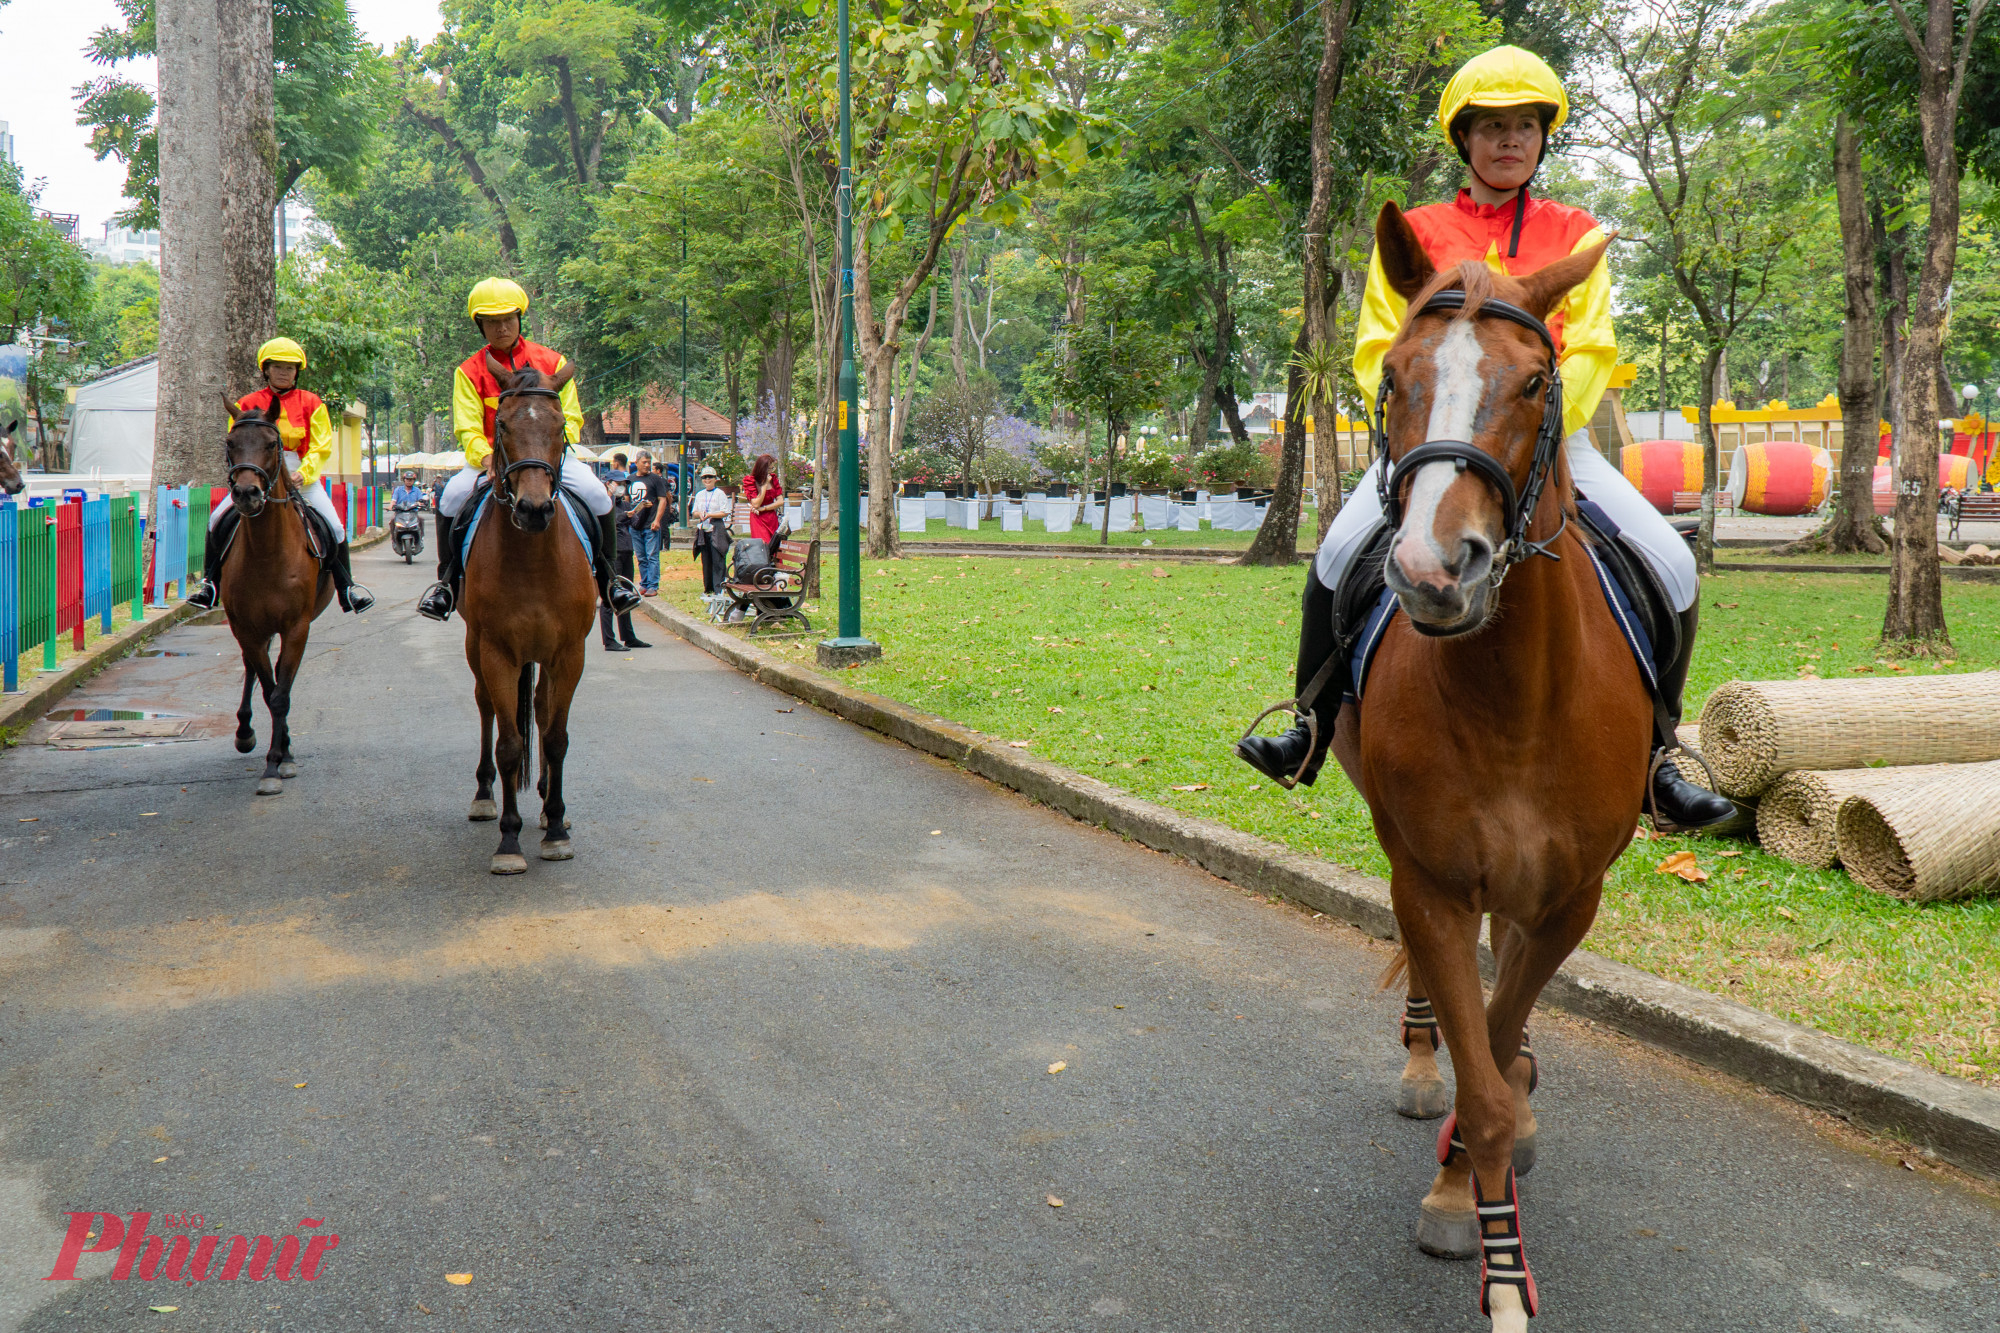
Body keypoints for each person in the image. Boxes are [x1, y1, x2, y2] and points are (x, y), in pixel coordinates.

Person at [1234, 45, 1731, 831]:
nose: (1511, 141)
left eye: (1526, 126)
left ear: (1542, 138)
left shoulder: (1575, 233)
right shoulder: (1417, 233)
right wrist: (1421, 431)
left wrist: (1541, 428)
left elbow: (1592, 347)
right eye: (1494, 127)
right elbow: (1378, 346)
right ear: (1464, 138)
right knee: (1336, 554)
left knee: (1670, 563)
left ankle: (1657, 759)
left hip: (1548, 442)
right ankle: (1311, 724)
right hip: (1430, 442)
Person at [417, 277, 643, 622]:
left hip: (549, 457)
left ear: (519, 318)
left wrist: (551, 450)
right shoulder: (468, 371)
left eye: (508, 319)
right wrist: (487, 457)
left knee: (597, 495)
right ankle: (446, 585)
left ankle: (611, 581)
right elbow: (467, 427)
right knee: (451, 498)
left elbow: (571, 418)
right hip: (492, 460)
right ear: (480, 326)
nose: (501, 328)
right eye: (492, 322)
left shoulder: (552, 362)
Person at [187, 337, 374, 613]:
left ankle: (347, 589)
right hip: (257, 470)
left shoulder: (311, 402)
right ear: (266, 370)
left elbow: (321, 446)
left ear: (297, 372)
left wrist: (304, 474)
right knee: (216, 520)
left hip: (299, 471)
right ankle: (209, 585)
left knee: (335, 527)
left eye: (290, 367)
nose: (284, 372)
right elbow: (237, 443)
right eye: (277, 367)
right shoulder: (247, 403)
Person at [599, 470, 651, 652]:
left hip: (627, 552)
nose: (622, 487)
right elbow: (608, 523)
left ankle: (629, 637)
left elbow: (636, 524)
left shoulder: (625, 504)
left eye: (624, 484)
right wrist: (624, 516)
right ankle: (609, 640)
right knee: (609, 595)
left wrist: (644, 510)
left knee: (626, 595)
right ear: (608, 484)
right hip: (611, 555)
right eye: (619, 483)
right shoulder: (603, 504)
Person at [625, 453, 668, 595]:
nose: (647, 465)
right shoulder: (630, 479)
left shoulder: (655, 479)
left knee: (652, 556)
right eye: (644, 462)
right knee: (641, 556)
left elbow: (663, 500)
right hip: (635, 525)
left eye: (649, 462)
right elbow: (627, 500)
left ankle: (653, 585)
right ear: (636, 463)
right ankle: (644, 583)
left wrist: (657, 520)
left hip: (650, 524)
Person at [689, 466, 733, 594]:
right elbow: (694, 512)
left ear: (715, 479)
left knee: (718, 559)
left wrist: (710, 515)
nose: (707, 480)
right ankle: (708, 587)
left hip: (716, 528)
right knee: (706, 560)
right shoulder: (699, 494)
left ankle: (719, 588)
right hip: (703, 529)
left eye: (710, 477)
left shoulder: (720, 494)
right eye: (705, 477)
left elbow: (725, 512)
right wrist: (700, 514)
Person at [741, 453, 784, 546]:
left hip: (771, 517)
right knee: (763, 545)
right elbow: (756, 504)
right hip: (758, 518)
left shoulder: (773, 479)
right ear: (762, 469)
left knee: (774, 546)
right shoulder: (751, 481)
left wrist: (764, 508)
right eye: (769, 469)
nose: (771, 471)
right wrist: (764, 486)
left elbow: (780, 501)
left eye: (772, 468)